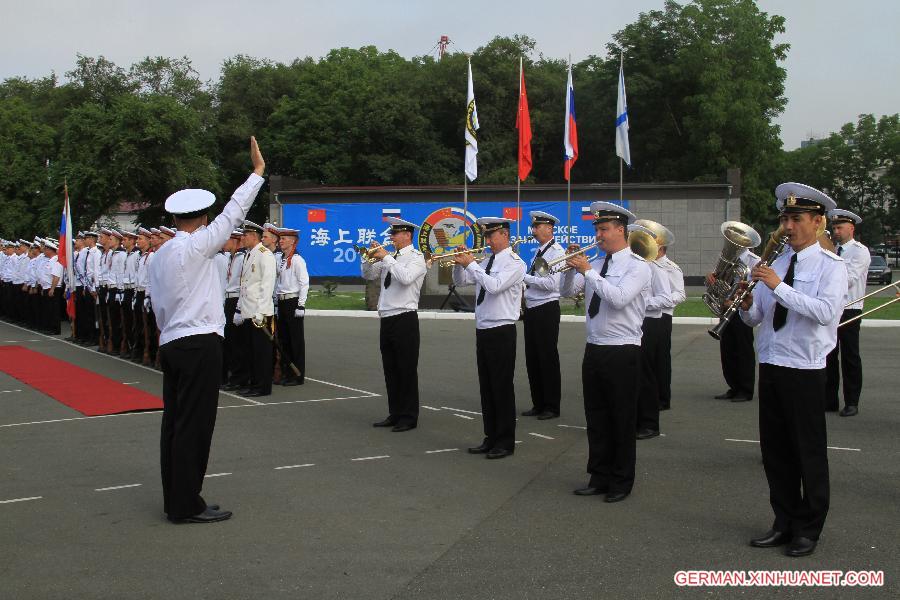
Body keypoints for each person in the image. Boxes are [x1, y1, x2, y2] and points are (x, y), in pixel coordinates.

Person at [149, 136, 265, 524]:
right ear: (200, 219)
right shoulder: (196, 246)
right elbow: (233, 213)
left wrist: (166, 336)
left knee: (174, 424)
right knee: (194, 427)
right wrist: (257, 173)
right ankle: (186, 504)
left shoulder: (161, 254)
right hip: (199, 343)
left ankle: (177, 498)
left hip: (173, 341)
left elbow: (158, 305)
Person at [740, 182, 846, 557]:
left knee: (808, 453)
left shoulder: (832, 266)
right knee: (776, 452)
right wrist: (747, 302)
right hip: (771, 363)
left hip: (804, 368)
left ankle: (808, 528)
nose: (788, 226)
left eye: (797, 219)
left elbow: (825, 313)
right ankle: (782, 521)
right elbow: (759, 318)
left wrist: (778, 287)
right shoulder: (778, 262)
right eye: (785, 218)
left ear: (818, 223)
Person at [562, 202, 651, 503]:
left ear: (621, 231)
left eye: (603, 229)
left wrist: (588, 272)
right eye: (597, 229)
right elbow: (566, 292)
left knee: (621, 418)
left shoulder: (638, 266)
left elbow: (619, 298)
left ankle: (621, 481)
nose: (598, 235)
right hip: (595, 347)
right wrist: (571, 266)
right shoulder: (597, 264)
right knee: (596, 416)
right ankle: (598, 475)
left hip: (623, 350)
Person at [453, 217, 526, 459]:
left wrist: (472, 264)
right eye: (486, 236)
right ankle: (490, 436)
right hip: (483, 328)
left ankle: (505, 441)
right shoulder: (485, 261)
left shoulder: (515, 264)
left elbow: (494, 286)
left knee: (501, 386)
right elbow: (461, 281)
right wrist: (459, 262)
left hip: (501, 329)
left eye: (492, 236)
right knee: (487, 387)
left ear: (505, 235)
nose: (488, 241)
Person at [366, 217, 427, 431]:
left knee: (406, 369)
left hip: (405, 317)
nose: (391, 238)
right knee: (390, 369)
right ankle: (395, 412)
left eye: (395, 234)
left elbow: (406, 278)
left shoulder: (416, 257)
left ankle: (409, 416)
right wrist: (368, 257)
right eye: (391, 234)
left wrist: (387, 259)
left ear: (407, 235)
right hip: (387, 318)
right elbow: (368, 275)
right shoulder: (389, 256)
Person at [825, 209, 871, 416]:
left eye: (840, 227)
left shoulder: (860, 251)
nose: (836, 231)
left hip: (851, 309)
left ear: (851, 229)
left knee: (850, 357)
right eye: (834, 227)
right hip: (832, 308)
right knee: (829, 355)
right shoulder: (831, 250)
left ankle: (852, 401)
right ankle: (829, 400)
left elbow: (849, 279)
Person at [520, 211, 564, 420]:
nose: (534, 231)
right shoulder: (539, 252)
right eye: (534, 227)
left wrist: (524, 277)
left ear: (549, 229)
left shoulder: (555, 253)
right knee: (533, 358)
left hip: (546, 308)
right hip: (533, 309)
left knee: (546, 357)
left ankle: (551, 405)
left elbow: (550, 284)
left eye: (538, 227)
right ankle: (538, 403)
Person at [708, 243, 759, 402]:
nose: (731, 243)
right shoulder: (726, 259)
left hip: (742, 309)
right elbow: (718, 282)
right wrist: (710, 280)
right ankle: (733, 386)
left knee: (743, 349)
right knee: (727, 349)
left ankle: (745, 389)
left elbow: (756, 286)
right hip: (725, 308)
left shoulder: (754, 261)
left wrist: (739, 301)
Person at [644, 222, 685, 411]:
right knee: (646, 358)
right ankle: (649, 394)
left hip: (663, 317)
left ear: (660, 248)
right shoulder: (644, 265)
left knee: (660, 358)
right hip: (646, 317)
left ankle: (662, 397)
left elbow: (680, 294)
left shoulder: (671, 268)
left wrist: (659, 301)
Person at [233, 220, 276, 397]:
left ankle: (262, 386)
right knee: (249, 351)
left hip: (261, 313)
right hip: (248, 311)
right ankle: (253, 382)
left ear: (253, 236)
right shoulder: (249, 254)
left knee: (261, 352)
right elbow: (245, 285)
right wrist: (239, 309)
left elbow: (267, 285)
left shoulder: (265, 254)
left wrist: (260, 311)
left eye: (245, 235)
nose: (242, 238)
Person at [274, 227, 310, 387]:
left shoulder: (297, 260)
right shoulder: (282, 259)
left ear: (293, 241)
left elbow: (304, 283)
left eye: (284, 238)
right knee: (285, 340)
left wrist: (301, 305)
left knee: (295, 340)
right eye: (280, 238)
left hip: (292, 301)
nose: (280, 241)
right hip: (282, 302)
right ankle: (287, 372)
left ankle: (298, 374)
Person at [221, 230, 248, 389]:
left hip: (237, 299)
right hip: (229, 298)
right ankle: (233, 375)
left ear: (236, 240)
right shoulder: (232, 257)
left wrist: (239, 307)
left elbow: (243, 283)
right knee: (229, 340)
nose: (224, 243)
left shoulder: (242, 257)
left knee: (237, 342)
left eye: (227, 239)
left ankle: (239, 377)